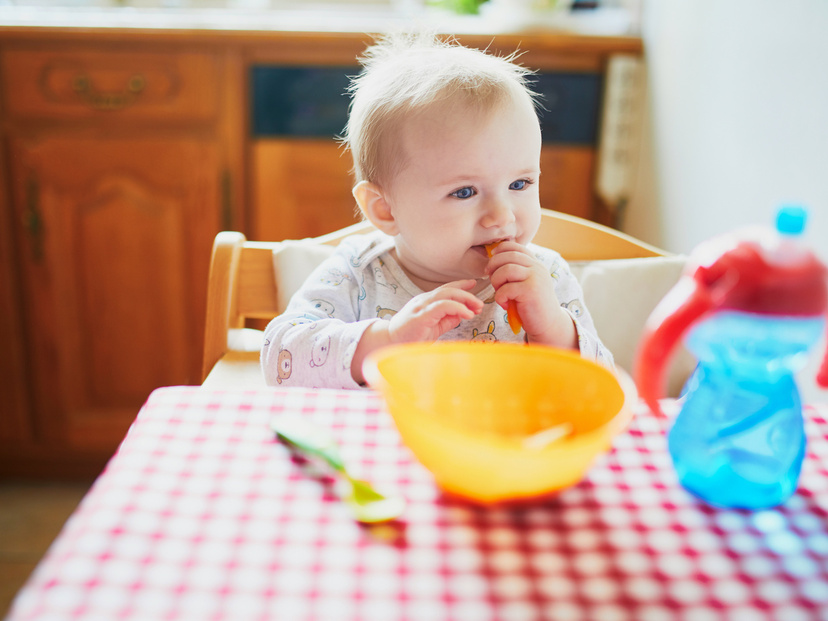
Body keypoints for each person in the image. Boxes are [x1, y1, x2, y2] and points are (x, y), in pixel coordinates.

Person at [261, 32, 613, 389]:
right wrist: (387, 340)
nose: (501, 216)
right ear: (385, 210)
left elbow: (602, 386)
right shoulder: (357, 274)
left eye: (519, 184)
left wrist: (553, 327)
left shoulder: (546, 278)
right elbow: (280, 361)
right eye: (464, 192)